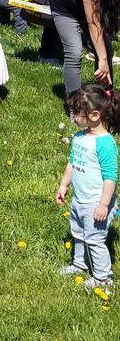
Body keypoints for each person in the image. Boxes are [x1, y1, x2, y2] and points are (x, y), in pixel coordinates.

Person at [55, 84, 118, 291]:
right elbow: (72, 163)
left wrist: (103, 204)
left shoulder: (105, 143)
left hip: (96, 202)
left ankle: (103, 278)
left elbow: (110, 178)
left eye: (76, 113)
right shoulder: (80, 137)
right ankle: (80, 265)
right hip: (79, 199)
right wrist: (64, 185)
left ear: (94, 115)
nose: (72, 116)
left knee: (95, 240)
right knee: (79, 234)